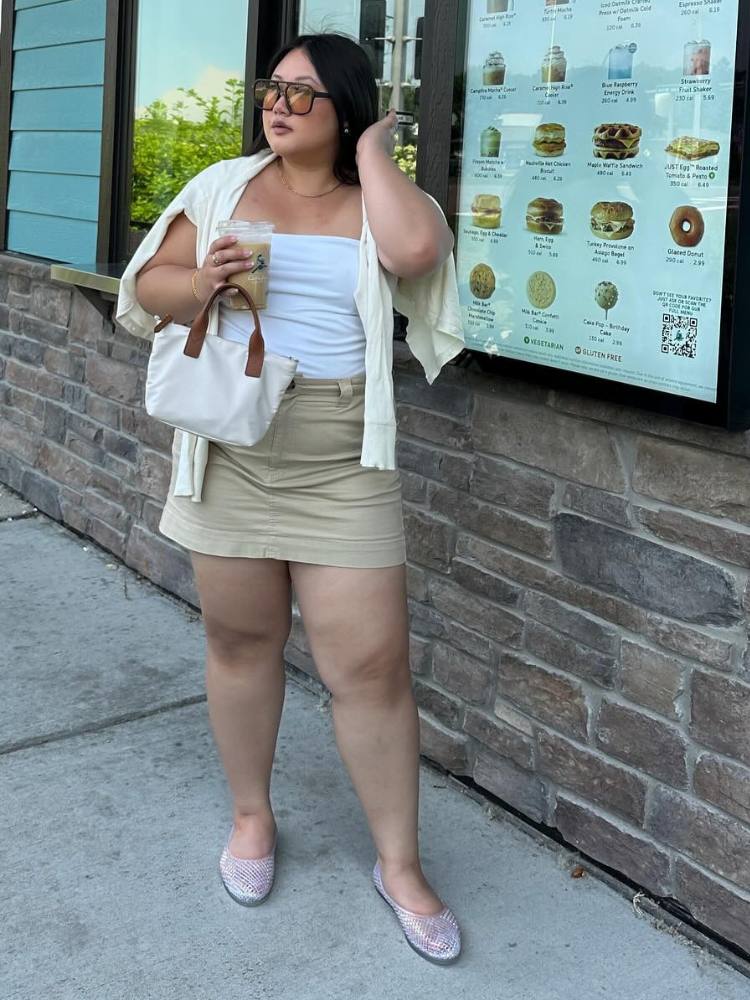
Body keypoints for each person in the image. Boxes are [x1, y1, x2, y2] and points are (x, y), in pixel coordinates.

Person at [116, 32, 464, 965]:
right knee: (239, 642)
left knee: (372, 668)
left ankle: (399, 864)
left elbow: (419, 253)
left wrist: (372, 156)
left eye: (306, 95)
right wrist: (203, 283)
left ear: (346, 109)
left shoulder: (378, 198)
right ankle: (250, 818)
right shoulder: (224, 186)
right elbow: (148, 288)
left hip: (343, 457)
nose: (280, 105)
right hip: (234, 444)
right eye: (274, 89)